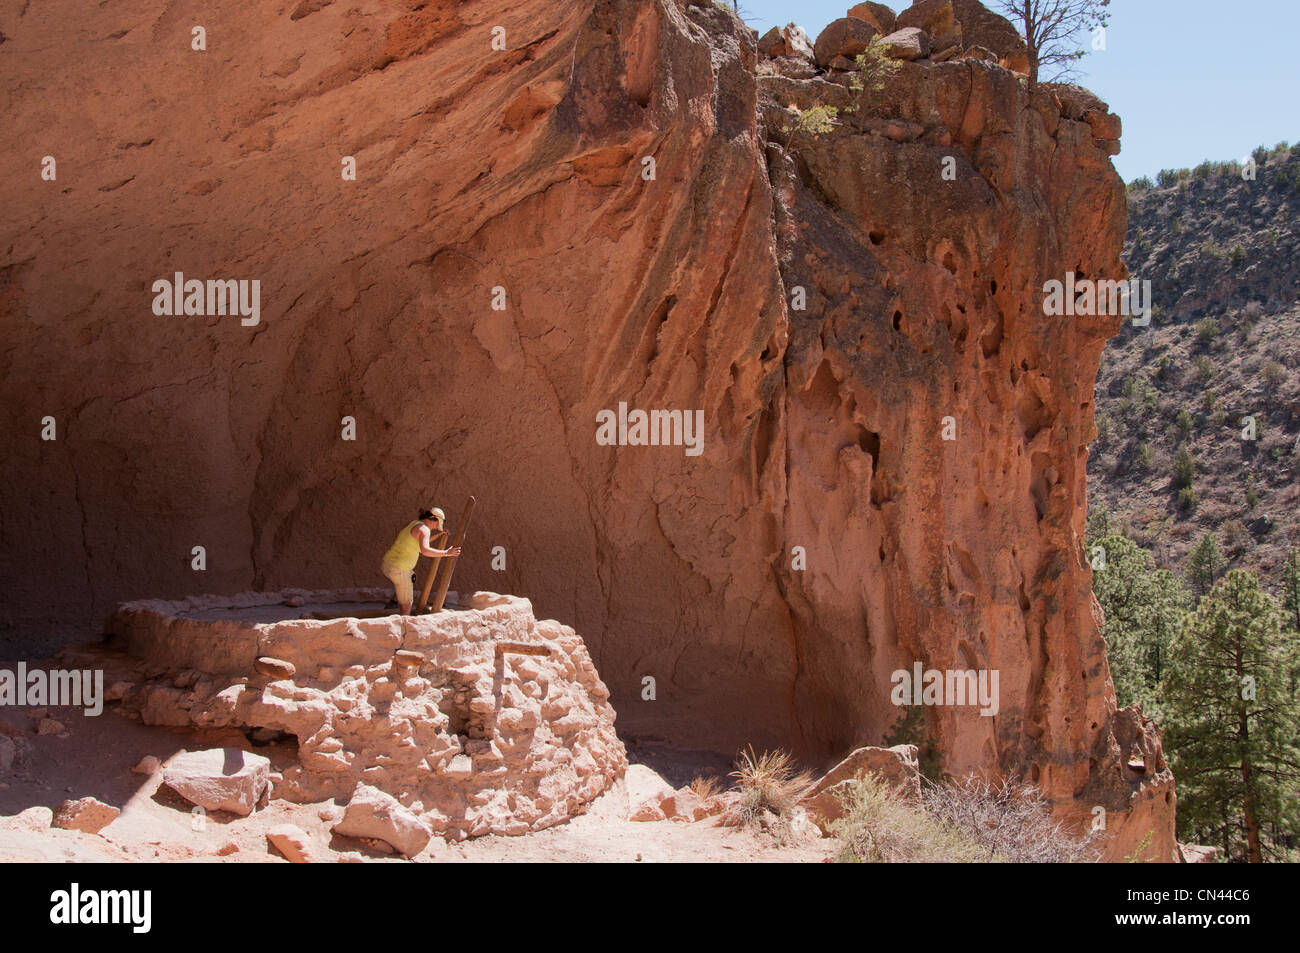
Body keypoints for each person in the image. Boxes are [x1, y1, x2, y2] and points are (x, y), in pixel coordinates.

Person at [380, 508, 461, 616]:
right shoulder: (424, 530)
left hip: (388, 563)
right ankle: (403, 628)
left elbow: (422, 540)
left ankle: (393, 602)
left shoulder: (415, 524)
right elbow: (425, 550)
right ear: (433, 519)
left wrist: (439, 535)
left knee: (411, 577)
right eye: (436, 525)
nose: (435, 528)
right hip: (399, 569)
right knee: (407, 604)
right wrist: (447, 553)